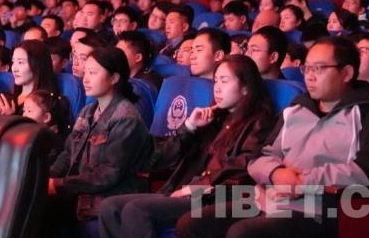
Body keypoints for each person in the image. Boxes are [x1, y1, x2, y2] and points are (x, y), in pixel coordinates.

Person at [176, 36, 369, 238]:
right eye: (307, 68)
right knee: (192, 223)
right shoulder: (297, 108)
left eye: (319, 68)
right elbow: (259, 157)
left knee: (244, 233)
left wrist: (301, 182)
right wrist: (276, 174)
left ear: (347, 73)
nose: (310, 75)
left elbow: (367, 171)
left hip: (323, 209)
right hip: (267, 199)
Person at [98, 55, 275, 238]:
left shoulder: (257, 124)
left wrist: (196, 188)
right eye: (215, 81)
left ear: (246, 88)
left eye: (224, 81)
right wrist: (190, 126)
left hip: (218, 196)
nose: (217, 88)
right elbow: (167, 158)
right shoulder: (215, 119)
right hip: (187, 188)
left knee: (137, 210)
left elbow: (242, 166)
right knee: (110, 207)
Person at [46, 47, 152, 229]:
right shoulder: (88, 111)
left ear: (114, 78)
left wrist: (58, 185)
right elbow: (69, 153)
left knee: (38, 208)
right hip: (81, 191)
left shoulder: (125, 118)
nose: (86, 79)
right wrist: (48, 177)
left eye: (93, 73)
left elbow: (108, 175)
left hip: (106, 197)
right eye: (86, 72)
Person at [0, 39, 64, 116]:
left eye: (21, 62)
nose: (14, 69)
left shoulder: (47, 102)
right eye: (13, 62)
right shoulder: (9, 97)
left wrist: (9, 119)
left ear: (37, 65)